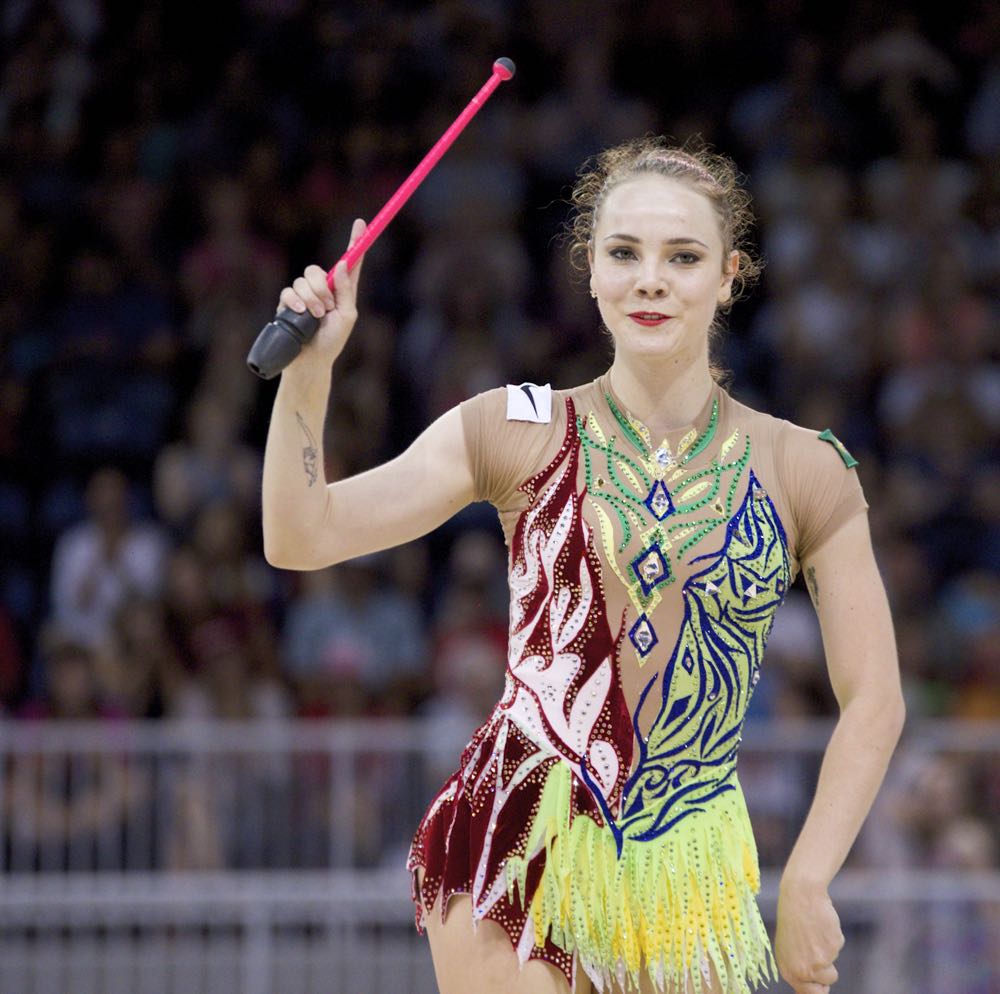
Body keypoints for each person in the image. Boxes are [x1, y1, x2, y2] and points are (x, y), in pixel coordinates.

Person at [261, 137, 905, 994]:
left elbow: (876, 698)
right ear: (589, 270)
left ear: (730, 275)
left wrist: (812, 877)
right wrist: (310, 374)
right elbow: (302, 536)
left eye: (683, 257)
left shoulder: (802, 468)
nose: (651, 279)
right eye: (624, 253)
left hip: (693, 875)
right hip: (524, 841)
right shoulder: (513, 428)